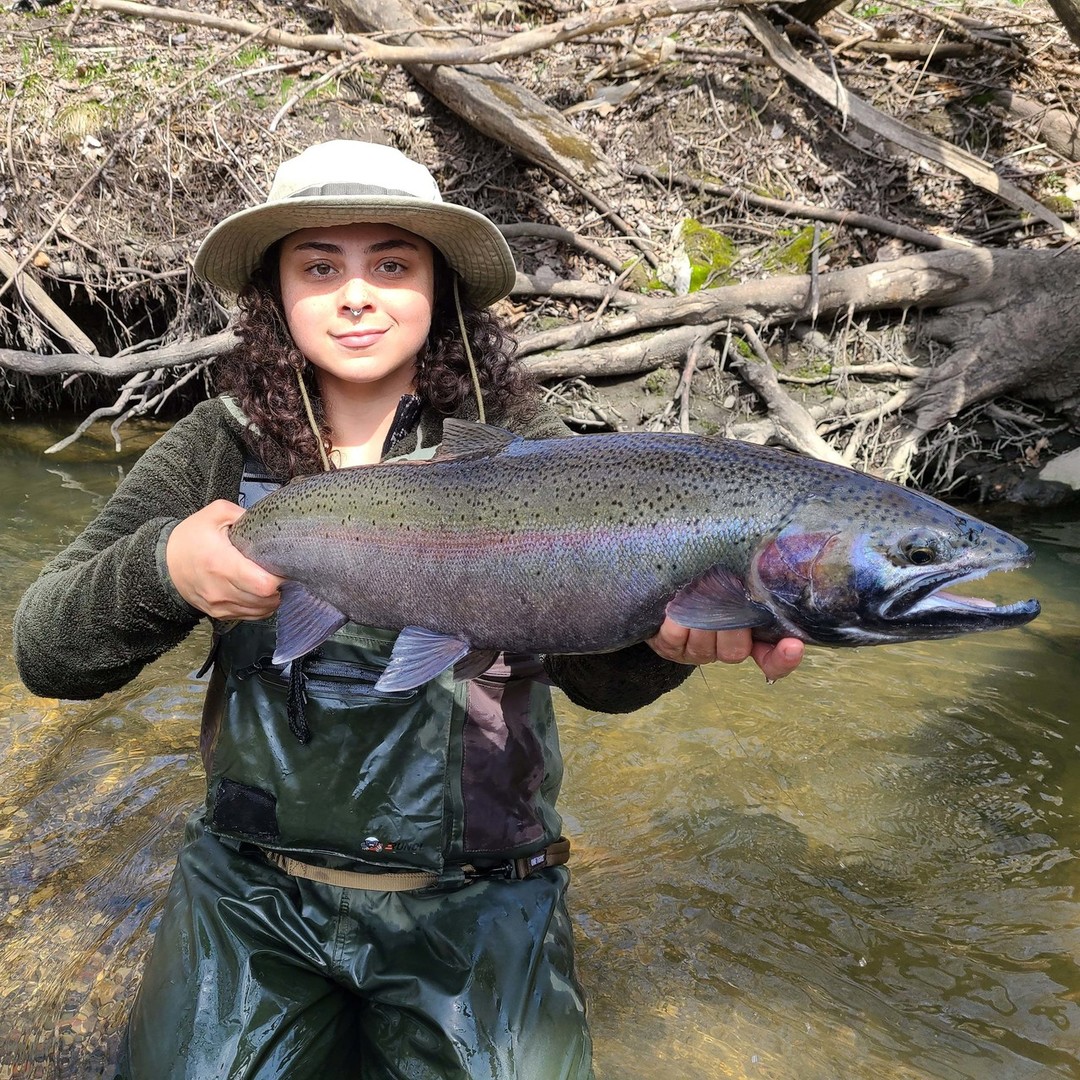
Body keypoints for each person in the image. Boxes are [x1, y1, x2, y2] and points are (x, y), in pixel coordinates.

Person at [13, 140, 804, 1080]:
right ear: (275, 295)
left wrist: (663, 644)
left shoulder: (527, 449)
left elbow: (601, 685)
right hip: (251, 894)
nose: (356, 295)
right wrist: (164, 569)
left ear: (440, 290)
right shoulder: (217, 448)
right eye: (320, 268)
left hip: (478, 898)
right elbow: (46, 652)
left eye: (391, 265)